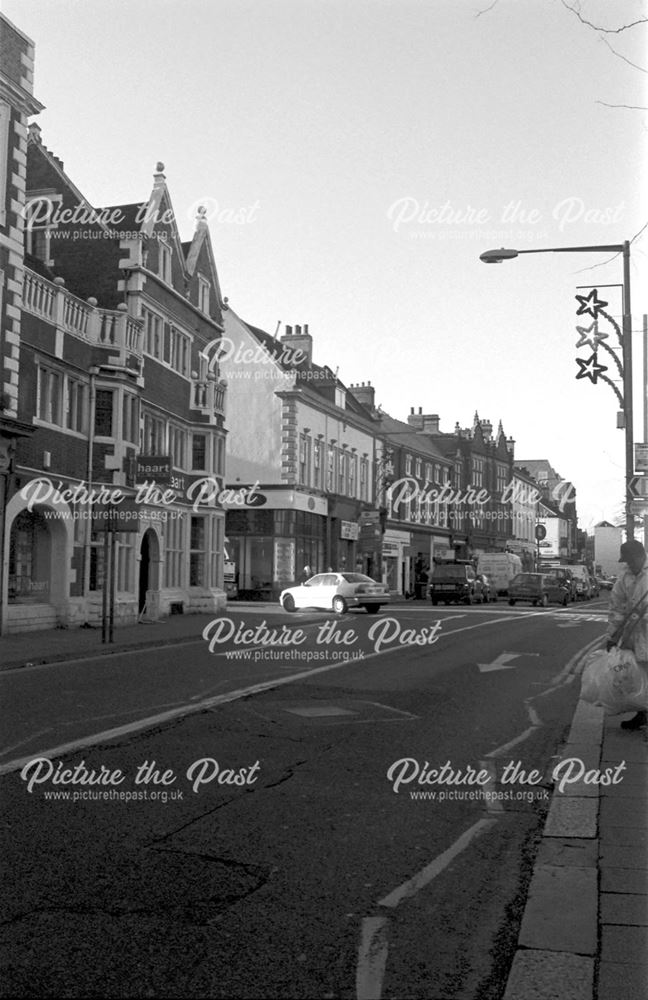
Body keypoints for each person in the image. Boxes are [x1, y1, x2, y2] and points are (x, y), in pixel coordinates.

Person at [605, 539, 648, 730]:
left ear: (640, 556)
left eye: (630, 559)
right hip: (634, 632)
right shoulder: (624, 578)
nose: (628, 564)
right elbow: (617, 608)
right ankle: (642, 712)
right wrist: (612, 635)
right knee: (637, 674)